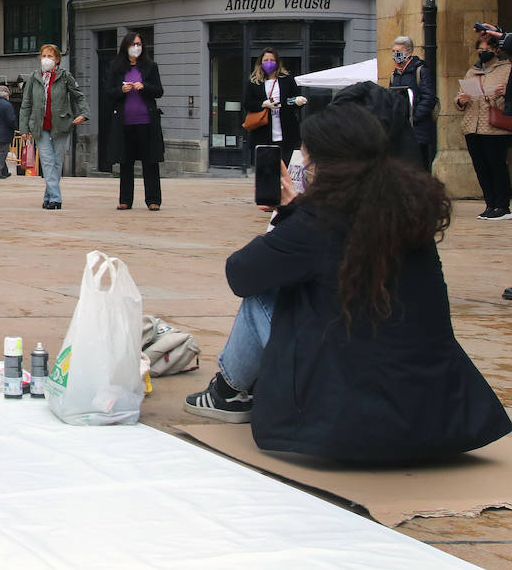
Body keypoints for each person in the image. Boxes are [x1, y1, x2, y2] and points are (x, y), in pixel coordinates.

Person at [183, 104, 511, 462]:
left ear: (323, 165)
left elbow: (241, 273)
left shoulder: (315, 223)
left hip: (351, 423)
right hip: (437, 416)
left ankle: (228, 391)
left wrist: (289, 216)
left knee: (267, 291)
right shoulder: (410, 211)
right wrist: (299, 210)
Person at [18, 44, 90, 209]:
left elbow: (78, 96)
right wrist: (24, 128)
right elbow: (26, 104)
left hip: (61, 124)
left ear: (57, 59)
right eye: (44, 56)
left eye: (50, 56)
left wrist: (84, 113)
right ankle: (56, 199)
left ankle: (49, 197)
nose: (46, 59)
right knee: (47, 161)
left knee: (57, 162)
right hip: (39, 125)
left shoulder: (65, 77)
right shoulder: (34, 77)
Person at [454, 31, 511, 220]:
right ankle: (490, 204)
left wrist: (502, 94)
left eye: (486, 49)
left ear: (496, 50)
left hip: (494, 128)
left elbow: (509, 98)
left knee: (497, 166)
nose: (483, 52)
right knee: (481, 168)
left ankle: (502, 206)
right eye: (480, 49)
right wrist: (461, 100)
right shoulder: (472, 71)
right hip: (472, 126)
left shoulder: (506, 70)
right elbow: (459, 96)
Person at [106, 31, 164, 211]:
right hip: (124, 122)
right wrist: (121, 90)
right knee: (126, 162)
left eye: (139, 44)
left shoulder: (150, 67)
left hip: (146, 122)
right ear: (126, 47)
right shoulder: (116, 68)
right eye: (133, 44)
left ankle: (153, 200)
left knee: (150, 162)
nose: (136, 47)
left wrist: (144, 86)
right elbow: (108, 92)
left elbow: (159, 91)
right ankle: (125, 200)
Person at [243, 47, 306, 166]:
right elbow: (247, 104)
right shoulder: (254, 82)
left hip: (286, 131)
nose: (269, 63)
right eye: (266, 60)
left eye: (272, 60)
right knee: (266, 168)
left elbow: (292, 100)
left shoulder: (287, 80)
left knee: (285, 166)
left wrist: (297, 101)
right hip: (263, 132)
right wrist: (263, 104)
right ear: (260, 63)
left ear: (277, 62)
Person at [388, 36, 437, 171]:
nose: (395, 55)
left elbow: (428, 98)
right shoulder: (394, 74)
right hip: (400, 129)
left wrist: (413, 118)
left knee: (419, 168)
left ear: (408, 52)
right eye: (393, 51)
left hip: (418, 129)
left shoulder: (420, 71)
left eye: (398, 51)